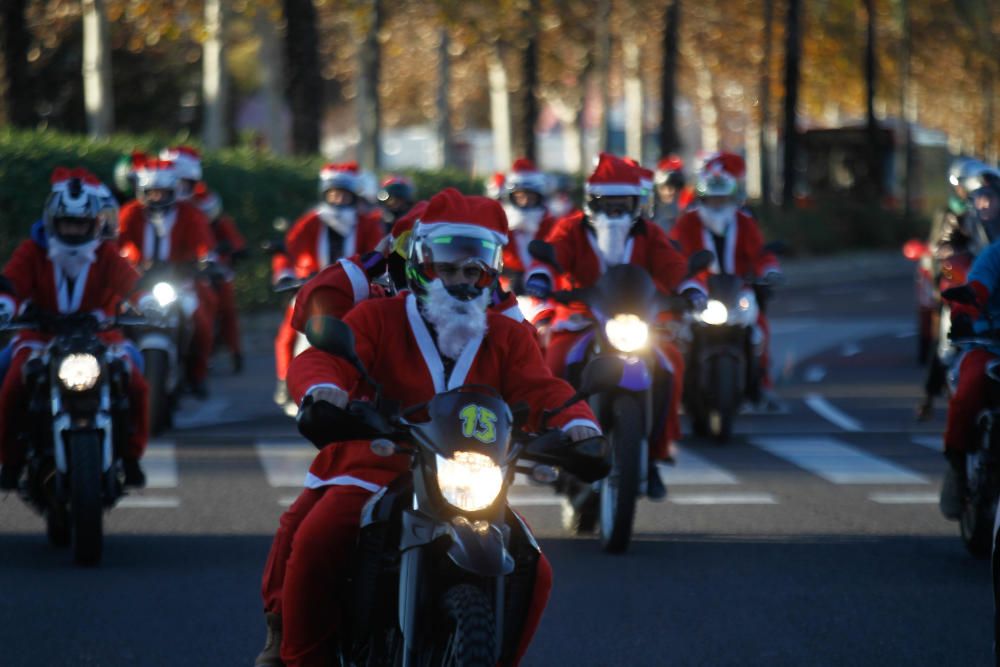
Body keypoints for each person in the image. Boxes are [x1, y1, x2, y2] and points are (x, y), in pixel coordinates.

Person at [259, 189, 600, 667]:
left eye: (472, 271)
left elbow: (542, 389)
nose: (461, 281)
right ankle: (300, 659)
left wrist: (580, 424)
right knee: (319, 536)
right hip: (377, 462)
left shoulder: (507, 333)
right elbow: (324, 358)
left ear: (489, 274)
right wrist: (324, 390)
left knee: (535, 568)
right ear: (423, 267)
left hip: (469, 474)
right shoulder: (378, 316)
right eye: (448, 269)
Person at [524, 153, 705, 500]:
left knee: (671, 365)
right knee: (554, 364)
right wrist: (539, 278)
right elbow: (551, 257)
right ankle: (545, 445)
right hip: (581, 318)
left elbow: (672, 265)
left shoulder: (649, 233)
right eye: (608, 203)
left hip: (638, 321)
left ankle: (652, 455)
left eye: (624, 204)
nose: (616, 212)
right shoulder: (571, 228)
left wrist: (690, 287)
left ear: (638, 203)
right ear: (592, 202)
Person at [0, 168, 149, 490]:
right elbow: (12, 283)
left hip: (100, 337)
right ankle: (10, 461)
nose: (73, 229)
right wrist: (5, 305)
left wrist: (148, 300)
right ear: (52, 220)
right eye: (67, 222)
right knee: (12, 385)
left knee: (136, 385)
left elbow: (131, 282)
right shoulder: (32, 250)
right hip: (41, 336)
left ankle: (131, 457)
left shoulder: (105, 252)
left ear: (94, 223)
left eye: (80, 223)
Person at [271, 162, 383, 411]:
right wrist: (285, 274)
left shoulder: (368, 225)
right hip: (312, 289)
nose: (338, 199)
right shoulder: (309, 222)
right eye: (334, 194)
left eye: (344, 194)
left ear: (354, 197)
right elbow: (288, 251)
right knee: (288, 332)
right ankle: (283, 379)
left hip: (356, 292)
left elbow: (377, 255)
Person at [670, 163, 782, 407]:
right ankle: (676, 388)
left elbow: (760, 254)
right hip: (700, 293)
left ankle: (762, 385)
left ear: (733, 199)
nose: (718, 205)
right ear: (702, 199)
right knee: (677, 336)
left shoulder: (744, 223)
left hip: (737, 290)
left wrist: (769, 271)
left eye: (723, 199)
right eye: (712, 200)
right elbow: (675, 256)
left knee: (759, 330)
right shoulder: (687, 224)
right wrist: (679, 279)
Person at [117, 157, 219, 398]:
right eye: (151, 192)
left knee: (202, 324)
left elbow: (205, 245)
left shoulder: (190, 213)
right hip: (136, 284)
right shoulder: (130, 212)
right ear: (141, 191)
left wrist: (206, 262)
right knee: (116, 322)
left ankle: (197, 374)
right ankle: (118, 372)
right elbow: (114, 242)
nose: (157, 197)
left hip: (177, 282)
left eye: (163, 192)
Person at [940, 170, 1000, 519]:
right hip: (991, 344)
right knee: (968, 390)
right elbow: (977, 287)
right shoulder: (994, 255)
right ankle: (958, 466)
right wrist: (964, 310)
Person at [916, 158, 991, 420]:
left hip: (985, 282)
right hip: (959, 278)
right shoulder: (952, 214)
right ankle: (930, 395)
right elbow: (941, 252)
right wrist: (945, 279)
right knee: (946, 342)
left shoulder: (984, 216)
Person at [192, 182, 247, 373]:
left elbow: (237, 243)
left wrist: (235, 251)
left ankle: (235, 352)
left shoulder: (222, 223)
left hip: (219, 273)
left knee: (227, 310)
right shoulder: (187, 219)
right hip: (194, 274)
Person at [652, 154, 694, 233]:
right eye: (664, 187)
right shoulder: (648, 216)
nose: (670, 191)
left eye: (676, 186)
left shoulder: (690, 215)